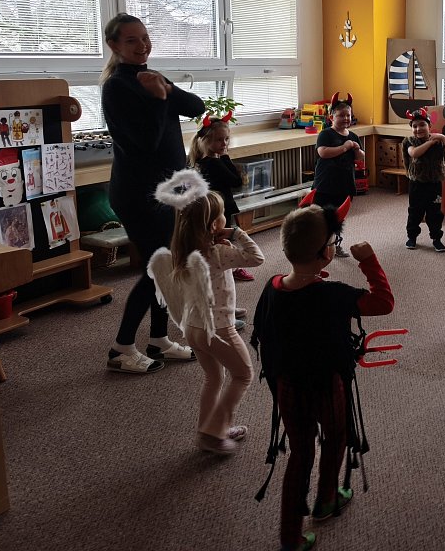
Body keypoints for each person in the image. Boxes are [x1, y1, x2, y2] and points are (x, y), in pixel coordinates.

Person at [251, 204, 394, 551]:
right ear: (326, 253)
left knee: (300, 454)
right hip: (327, 385)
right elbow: (383, 302)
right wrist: (368, 260)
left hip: (287, 385)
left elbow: (265, 333)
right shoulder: (333, 295)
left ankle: (290, 538)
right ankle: (327, 498)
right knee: (336, 435)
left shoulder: (272, 287)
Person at [101, 12, 206, 374]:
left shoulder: (150, 76)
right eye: (132, 40)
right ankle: (121, 349)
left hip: (166, 192)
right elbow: (145, 143)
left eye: (145, 37)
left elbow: (197, 107)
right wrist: (159, 98)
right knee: (157, 269)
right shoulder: (118, 87)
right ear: (114, 45)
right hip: (138, 194)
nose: (142, 45)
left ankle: (159, 339)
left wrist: (168, 90)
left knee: (168, 266)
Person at [147, 170, 265, 455]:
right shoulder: (218, 254)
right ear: (215, 225)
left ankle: (209, 429)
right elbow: (257, 258)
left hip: (193, 329)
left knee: (214, 378)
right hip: (219, 329)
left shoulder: (183, 252)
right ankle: (214, 433)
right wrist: (237, 233)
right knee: (243, 375)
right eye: (222, 215)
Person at [190, 116, 255, 285]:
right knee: (224, 238)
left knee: (212, 239)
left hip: (209, 208)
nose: (224, 143)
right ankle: (233, 267)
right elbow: (236, 182)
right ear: (206, 140)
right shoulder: (215, 163)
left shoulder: (199, 161)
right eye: (219, 140)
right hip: (221, 208)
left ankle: (216, 267)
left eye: (226, 139)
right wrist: (226, 157)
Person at [312, 95, 364, 258]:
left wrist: (357, 150)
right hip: (325, 184)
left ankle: (335, 245)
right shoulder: (326, 134)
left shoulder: (353, 136)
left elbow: (361, 157)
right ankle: (318, 246)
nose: (346, 118)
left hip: (345, 184)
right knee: (321, 217)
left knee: (338, 218)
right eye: (341, 115)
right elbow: (323, 152)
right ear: (331, 117)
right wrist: (344, 147)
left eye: (348, 115)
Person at [402, 107, 445, 252]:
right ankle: (412, 237)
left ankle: (436, 238)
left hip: (434, 184)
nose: (418, 129)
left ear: (429, 126)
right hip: (417, 184)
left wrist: (443, 137)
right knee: (415, 212)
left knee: (435, 213)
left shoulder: (439, 141)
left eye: (422, 125)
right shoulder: (409, 141)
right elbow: (415, 153)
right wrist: (430, 143)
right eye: (414, 126)